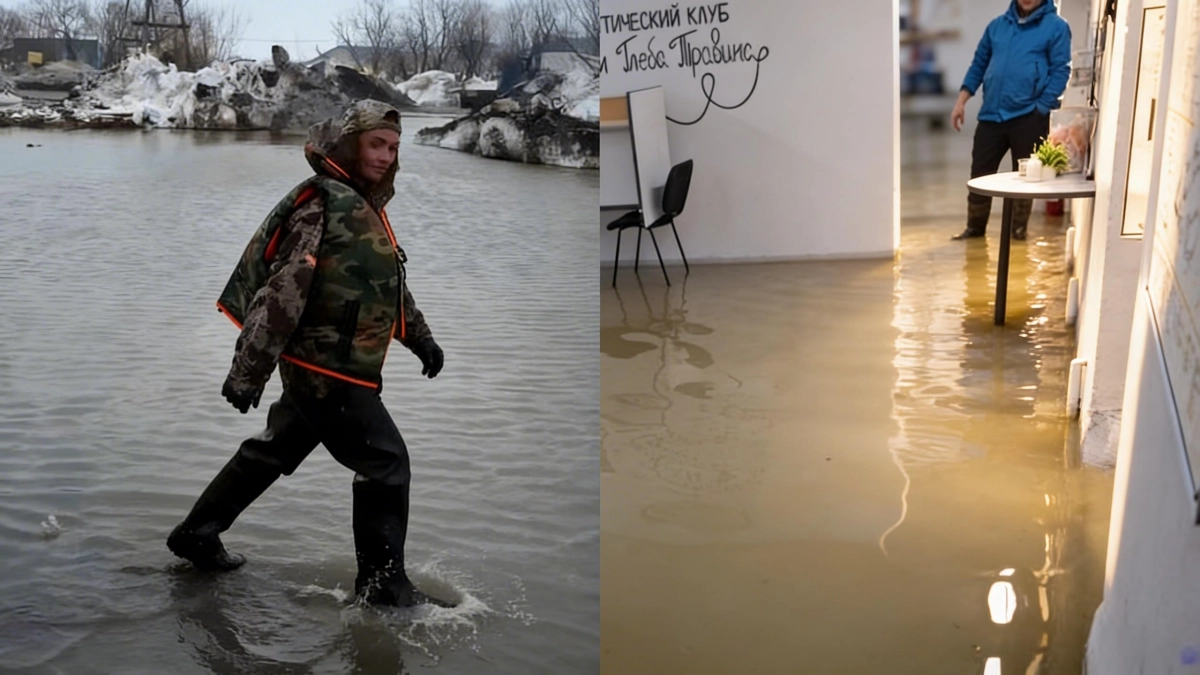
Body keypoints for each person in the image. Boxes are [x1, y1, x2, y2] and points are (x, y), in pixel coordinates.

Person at [166, 99, 447, 608]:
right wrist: (248, 371)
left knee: (273, 450)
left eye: (393, 148)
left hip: (324, 368)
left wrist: (420, 337)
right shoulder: (322, 203)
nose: (385, 156)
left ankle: (196, 534)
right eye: (375, 145)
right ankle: (383, 584)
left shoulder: (362, 205)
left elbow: (382, 285)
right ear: (347, 145)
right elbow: (284, 292)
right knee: (386, 463)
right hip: (328, 369)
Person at [949, 0, 1072, 241]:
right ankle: (975, 229)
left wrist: (1042, 106)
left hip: (1029, 116)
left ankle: (1018, 231)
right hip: (991, 115)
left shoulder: (1056, 27)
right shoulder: (996, 26)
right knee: (979, 174)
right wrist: (961, 101)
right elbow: (979, 65)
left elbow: (1061, 70)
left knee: (1025, 178)